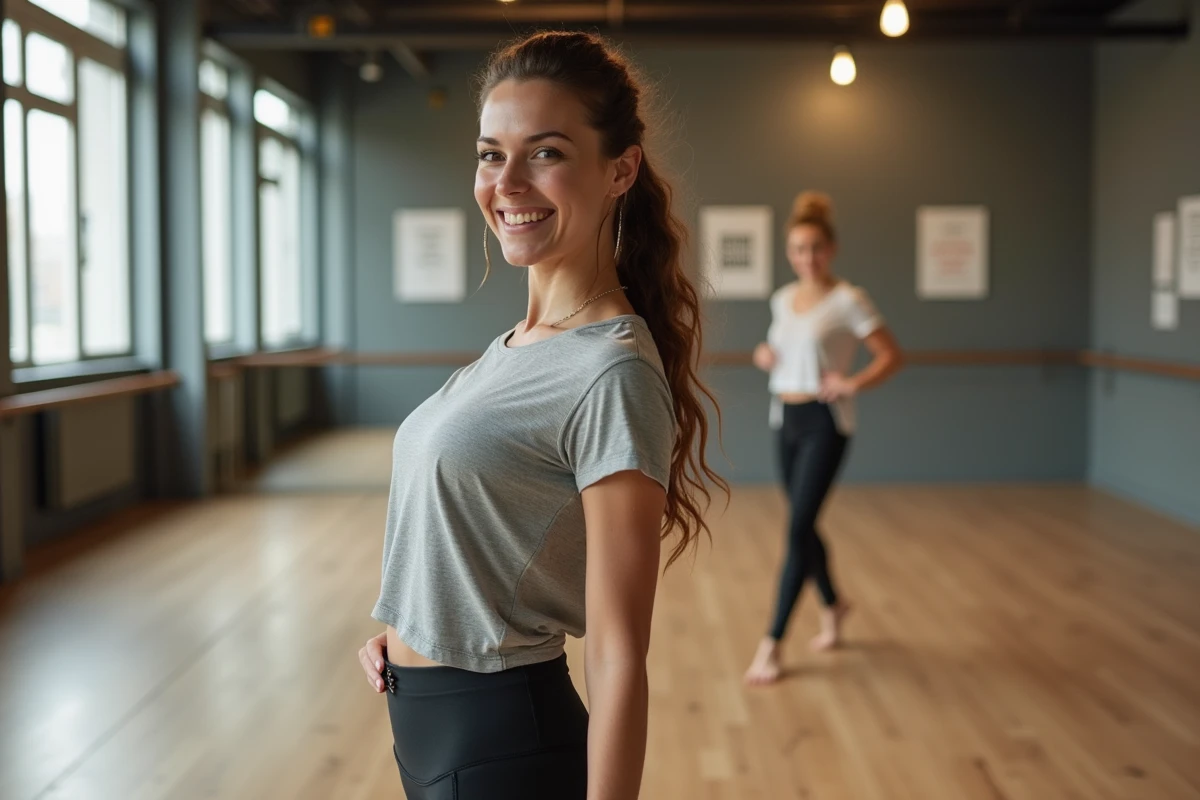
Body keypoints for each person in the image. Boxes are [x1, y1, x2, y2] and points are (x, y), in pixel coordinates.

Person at [356, 31, 726, 800]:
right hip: (430, 727)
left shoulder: (609, 370)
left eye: (546, 153)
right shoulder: (518, 346)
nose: (508, 180)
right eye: (492, 154)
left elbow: (621, 651)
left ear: (619, 168)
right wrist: (411, 629)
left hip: (501, 750)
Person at [743, 192, 903, 686]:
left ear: (830, 249)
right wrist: (763, 355)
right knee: (804, 525)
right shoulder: (782, 299)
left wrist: (852, 382)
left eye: (814, 248)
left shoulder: (848, 300)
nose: (806, 257)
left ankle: (772, 644)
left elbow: (889, 355)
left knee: (796, 530)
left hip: (824, 422)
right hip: (784, 417)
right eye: (796, 249)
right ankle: (834, 605)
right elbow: (777, 348)